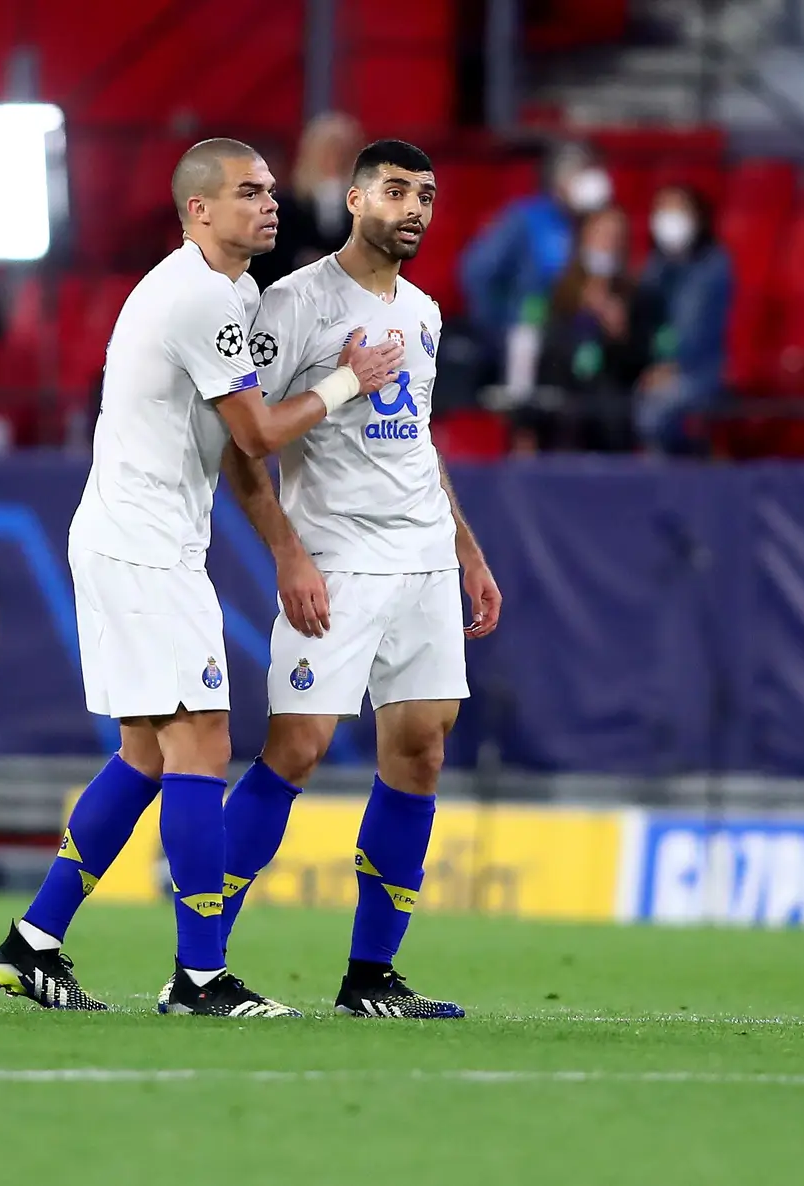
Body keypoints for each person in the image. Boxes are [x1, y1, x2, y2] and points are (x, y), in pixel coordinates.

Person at [0, 137, 405, 1015]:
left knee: (149, 751)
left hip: (142, 539)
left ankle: (32, 943)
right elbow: (253, 436)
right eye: (247, 191)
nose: (269, 202)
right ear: (198, 211)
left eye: (271, 189)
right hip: (143, 547)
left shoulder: (232, 292)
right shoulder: (200, 299)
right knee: (203, 742)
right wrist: (346, 383)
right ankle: (201, 975)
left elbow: (233, 441)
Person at [216, 139, 502, 1020]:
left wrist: (466, 547)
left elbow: (415, 438)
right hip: (335, 557)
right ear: (353, 198)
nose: (413, 207)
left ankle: (370, 977)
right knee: (294, 749)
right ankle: (198, 966)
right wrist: (288, 553)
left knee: (420, 750)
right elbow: (244, 446)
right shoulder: (294, 304)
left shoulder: (423, 312)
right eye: (395, 190)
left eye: (426, 193)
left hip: (420, 556)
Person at [458, 141, 612, 373]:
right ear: (562, 179)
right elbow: (478, 271)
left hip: (574, 342)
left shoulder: (595, 224)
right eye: (584, 173)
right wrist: (498, 328)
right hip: (524, 341)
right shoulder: (526, 219)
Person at [516, 205, 651, 453]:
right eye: (601, 236)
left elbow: (639, 362)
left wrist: (619, 333)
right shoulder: (559, 293)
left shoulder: (637, 297)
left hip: (610, 413)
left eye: (615, 238)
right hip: (560, 408)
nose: (608, 245)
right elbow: (541, 354)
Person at [634, 184, 733, 455]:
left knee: (655, 412)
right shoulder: (655, 266)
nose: (670, 217)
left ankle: (672, 482)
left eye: (678, 209)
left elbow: (693, 330)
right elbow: (643, 323)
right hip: (654, 368)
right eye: (664, 210)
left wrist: (670, 366)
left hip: (699, 371)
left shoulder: (712, 265)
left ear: (698, 218)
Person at [249, 112, 363, 289]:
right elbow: (265, 258)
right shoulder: (282, 207)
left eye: (343, 152)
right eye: (328, 151)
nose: (336, 159)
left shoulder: (367, 211)